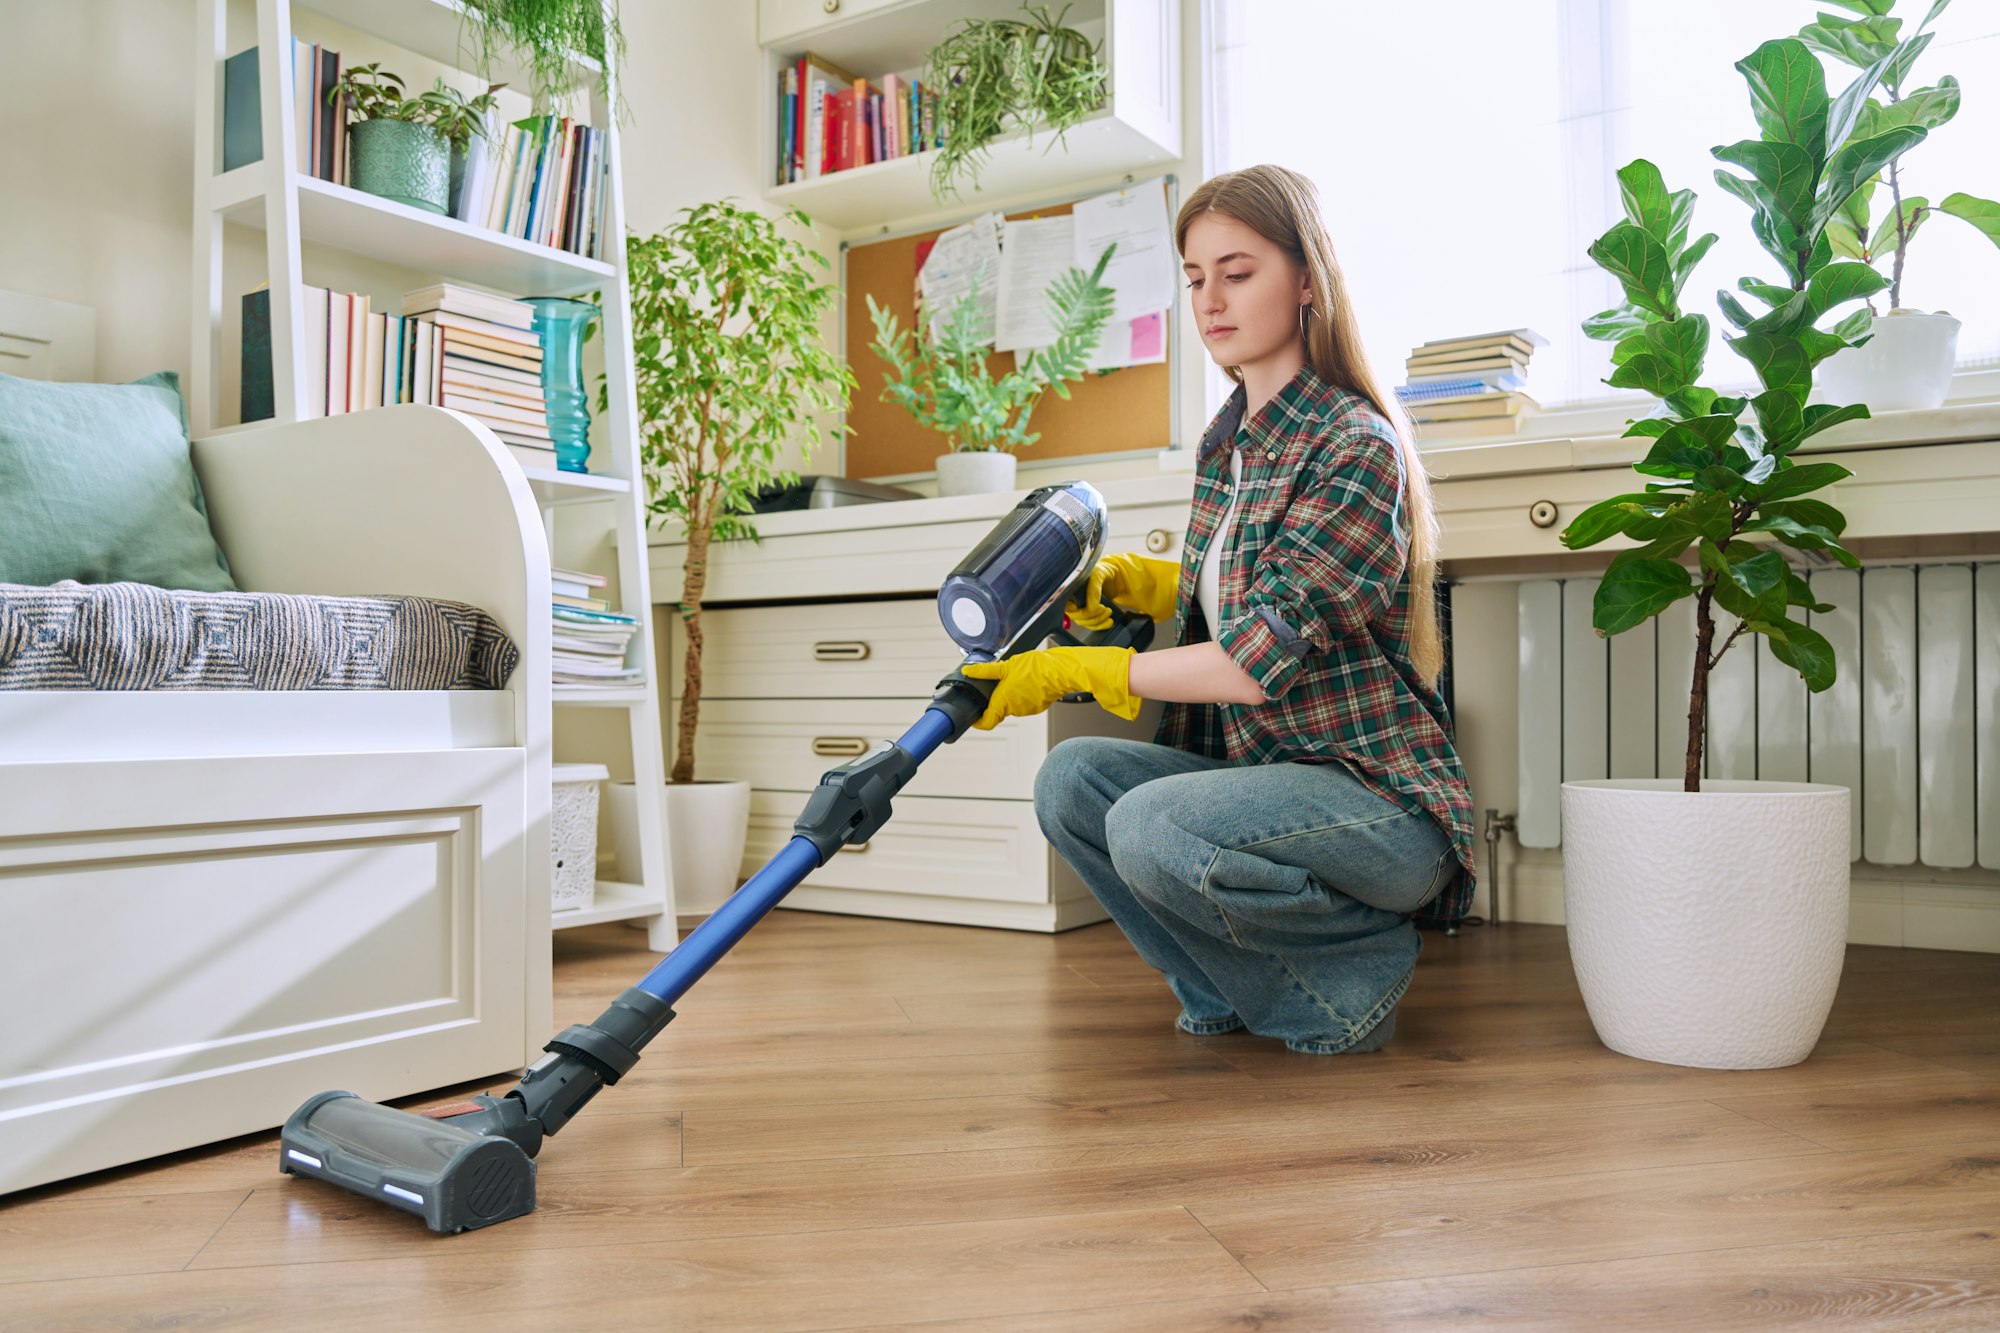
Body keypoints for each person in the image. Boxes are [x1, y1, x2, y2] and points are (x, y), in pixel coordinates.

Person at [958, 164, 1476, 1055]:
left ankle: (1350, 978)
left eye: (1237, 273)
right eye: (1195, 279)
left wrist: (1080, 669)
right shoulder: (1230, 439)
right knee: (1071, 782)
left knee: (1148, 821)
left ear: (1307, 278)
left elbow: (1249, 660)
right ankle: (1226, 987)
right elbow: (1243, 587)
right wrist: (1145, 584)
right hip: (1266, 781)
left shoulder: (1354, 444)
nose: (1210, 300)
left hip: (1376, 807)